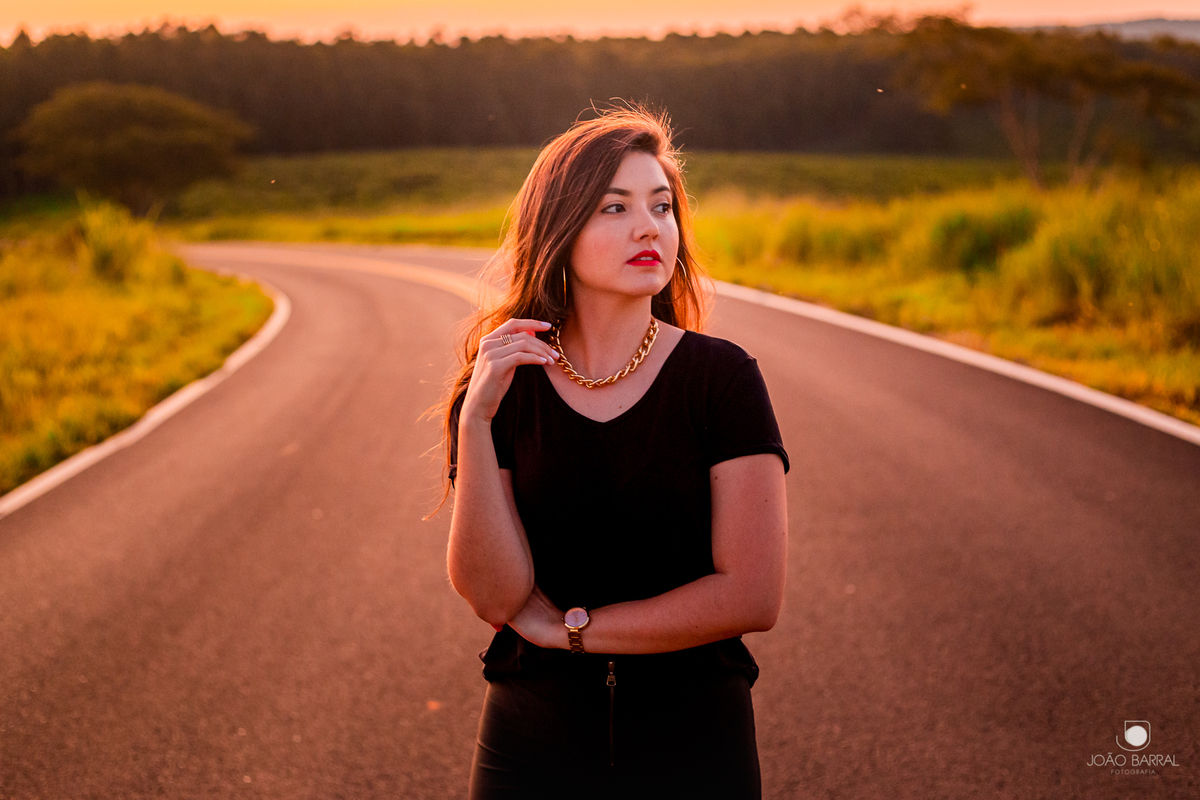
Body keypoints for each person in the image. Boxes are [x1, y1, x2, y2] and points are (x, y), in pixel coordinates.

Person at [441, 105, 789, 799]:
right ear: (559, 228)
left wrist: (572, 631)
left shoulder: (722, 379)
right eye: (614, 207)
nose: (648, 228)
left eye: (662, 207)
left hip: (695, 736)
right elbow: (492, 594)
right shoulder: (504, 385)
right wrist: (476, 420)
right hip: (529, 734)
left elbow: (753, 594)